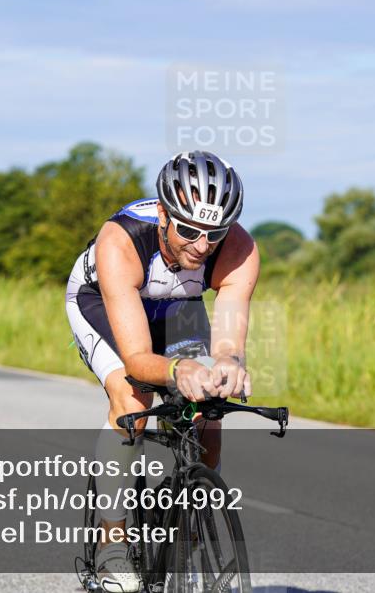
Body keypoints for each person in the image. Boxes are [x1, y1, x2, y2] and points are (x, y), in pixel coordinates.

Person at [65, 150, 259, 592]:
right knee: (133, 398)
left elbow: (229, 343)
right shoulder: (121, 240)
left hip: (178, 307)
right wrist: (176, 368)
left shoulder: (240, 250)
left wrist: (227, 365)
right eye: (188, 230)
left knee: (208, 413)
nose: (201, 245)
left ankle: (187, 534)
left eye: (214, 233)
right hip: (100, 300)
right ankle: (111, 543)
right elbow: (137, 360)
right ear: (163, 215)